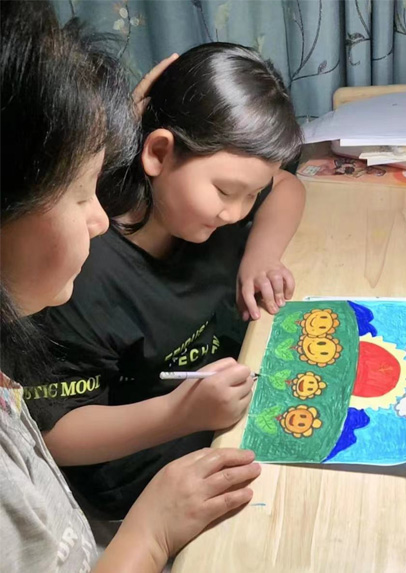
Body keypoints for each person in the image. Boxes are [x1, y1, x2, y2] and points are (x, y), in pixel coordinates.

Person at [1, 3, 260, 570]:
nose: (99, 219)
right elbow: (61, 428)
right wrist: (152, 535)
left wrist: (104, 132)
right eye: (80, 193)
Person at [18, 41, 306, 521]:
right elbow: (53, 434)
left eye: (250, 195)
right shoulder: (78, 274)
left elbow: (288, 187)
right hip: (147, 470)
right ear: (157, 152)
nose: (236, 213)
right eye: (225, 192)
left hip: (219, 414)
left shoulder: (212, 205)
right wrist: (181, 414)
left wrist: (261, 255)